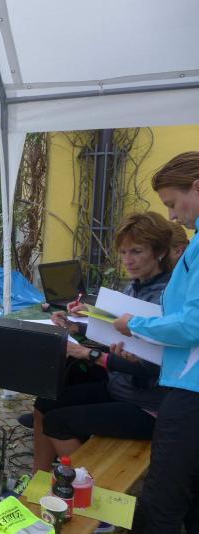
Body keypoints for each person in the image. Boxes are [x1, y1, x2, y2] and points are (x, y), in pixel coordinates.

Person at [32, 212, 173, 473]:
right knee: (44, 403)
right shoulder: (135, 286)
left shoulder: (165, 297)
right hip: (119, 389)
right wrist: (76, 326)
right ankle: (34, 480)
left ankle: (89, 488)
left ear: (160, 252)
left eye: (137, 251)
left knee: (57, 422)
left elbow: (152, 367)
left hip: (147, 406)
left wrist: (86, 353)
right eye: (123, 252)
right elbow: (116, 337)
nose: (128, 260)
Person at [114, 152, 199, 533]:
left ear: (196, 188)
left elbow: (193, 323)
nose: (173, 216)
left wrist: (137, 326)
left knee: (161, 503)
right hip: (184, 382)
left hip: (190, 391)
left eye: (173, 203)